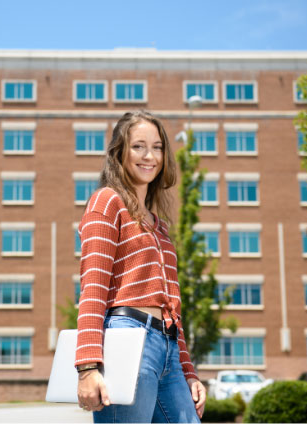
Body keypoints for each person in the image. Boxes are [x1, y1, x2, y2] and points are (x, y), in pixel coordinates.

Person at [75, 110, 206, 423]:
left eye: (157, 147)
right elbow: (93, 287)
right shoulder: (107, 202)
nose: (150, 156)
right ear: (120, 152)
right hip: (126, 337)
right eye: (139, 146)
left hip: (168, 348)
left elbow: (172, 309)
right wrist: (88, 366)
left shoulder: (160, 228)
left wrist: (188, 371)